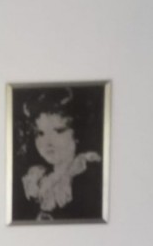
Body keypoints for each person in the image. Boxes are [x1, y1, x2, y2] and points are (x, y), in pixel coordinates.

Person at [12, 87, 104, 221]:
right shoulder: (37, 179)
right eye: (40, 133)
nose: (47, 142)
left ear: (77, 132)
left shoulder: (88, 176)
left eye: (59, 131)